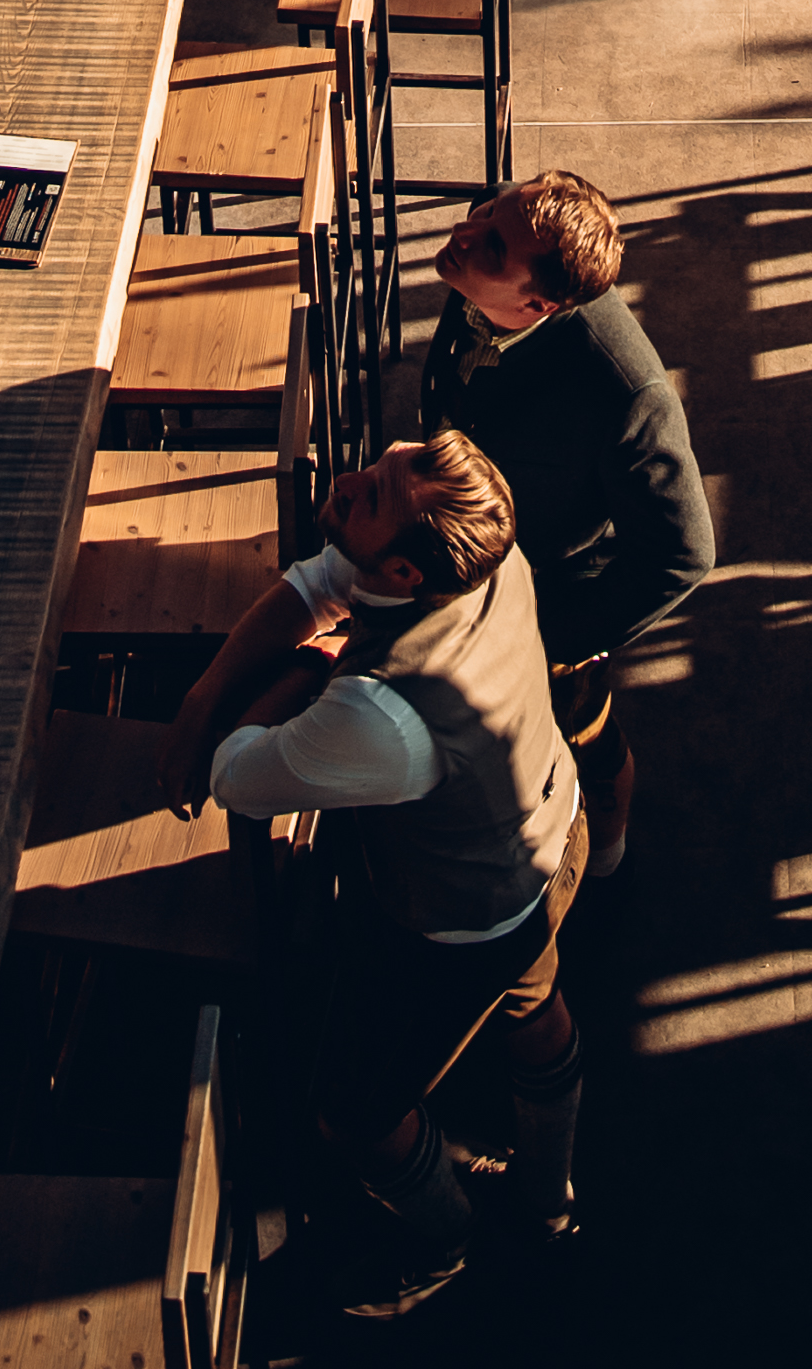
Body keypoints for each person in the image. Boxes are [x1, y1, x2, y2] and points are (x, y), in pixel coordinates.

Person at [157, 433, 589, 1308]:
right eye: (387, 465)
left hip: (459, 921)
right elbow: (324, 580)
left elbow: (239, 778)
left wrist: (311, 670)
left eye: (369, 497)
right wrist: (207, 693)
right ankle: (549, 1203)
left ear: (401, 578)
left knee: (355, 1114)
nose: (348, 480)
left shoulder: (381, 718)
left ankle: (447, 1238)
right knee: (534, 1005)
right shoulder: (487, 554)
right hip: (553, 828)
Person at [419, 168, 711, 880]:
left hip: (545, 584)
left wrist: (552, 635)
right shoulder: (486, 250)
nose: (467, 233)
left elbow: (683, 553)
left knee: (575, 728)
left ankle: (602, 856)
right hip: (463, 548)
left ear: (539, 304)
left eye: (490, 248)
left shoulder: (622, 392)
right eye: (489, 212)